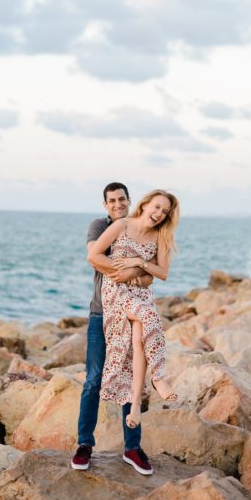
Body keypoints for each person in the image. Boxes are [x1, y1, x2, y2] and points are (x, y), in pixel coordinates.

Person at [90, 189, 181, 475]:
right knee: (147, 317)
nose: (158, 214)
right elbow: (94, 255)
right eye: (156, 207)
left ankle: (134, 409)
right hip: (116, 290)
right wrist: (124, 271)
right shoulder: (122, 226)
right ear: (145, 204)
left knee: (139, 338)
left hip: (140, 293)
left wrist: (139, 264)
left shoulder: (161, 237)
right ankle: (159, 377)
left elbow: (162, 273)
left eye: (164, 212)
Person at [71, 183, 155, 474]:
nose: (118, 204)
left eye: (122, 199)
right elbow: (94, 256)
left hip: (131, 315)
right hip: (100, 314)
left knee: (131, 380)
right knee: (93, 380)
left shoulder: (143, 231)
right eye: (112, 201)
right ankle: (84, 444)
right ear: (106, 205)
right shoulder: (99, 225)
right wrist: (132, 271)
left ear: (130, 201)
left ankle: (132, 448)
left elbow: (150, 278)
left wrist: (133, 272)